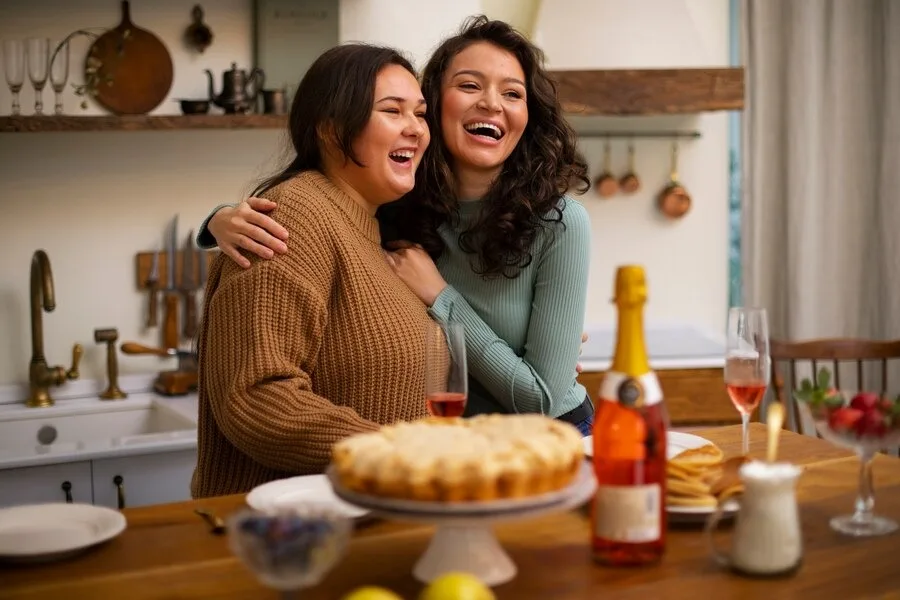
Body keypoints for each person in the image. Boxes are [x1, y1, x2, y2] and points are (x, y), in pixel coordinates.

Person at [197, 16, 595, 435]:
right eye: (470, 85)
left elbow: (542, 399)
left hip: (550, 434)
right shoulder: (397, 203)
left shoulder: (560, 223)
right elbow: (322, 208)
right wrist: (219, 220)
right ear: (436, 107)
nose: (492, 104)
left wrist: (440, 296)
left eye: (512, 93)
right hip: (449, 441)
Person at [191, 43, 433, 499]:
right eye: (392, 111)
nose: (416, 129)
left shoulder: (372, 226)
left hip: (360, 520)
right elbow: (257, 396)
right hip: (288, 536)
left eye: (420, 114)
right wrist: (395, 452)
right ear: (330, 128)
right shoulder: (296, 214)